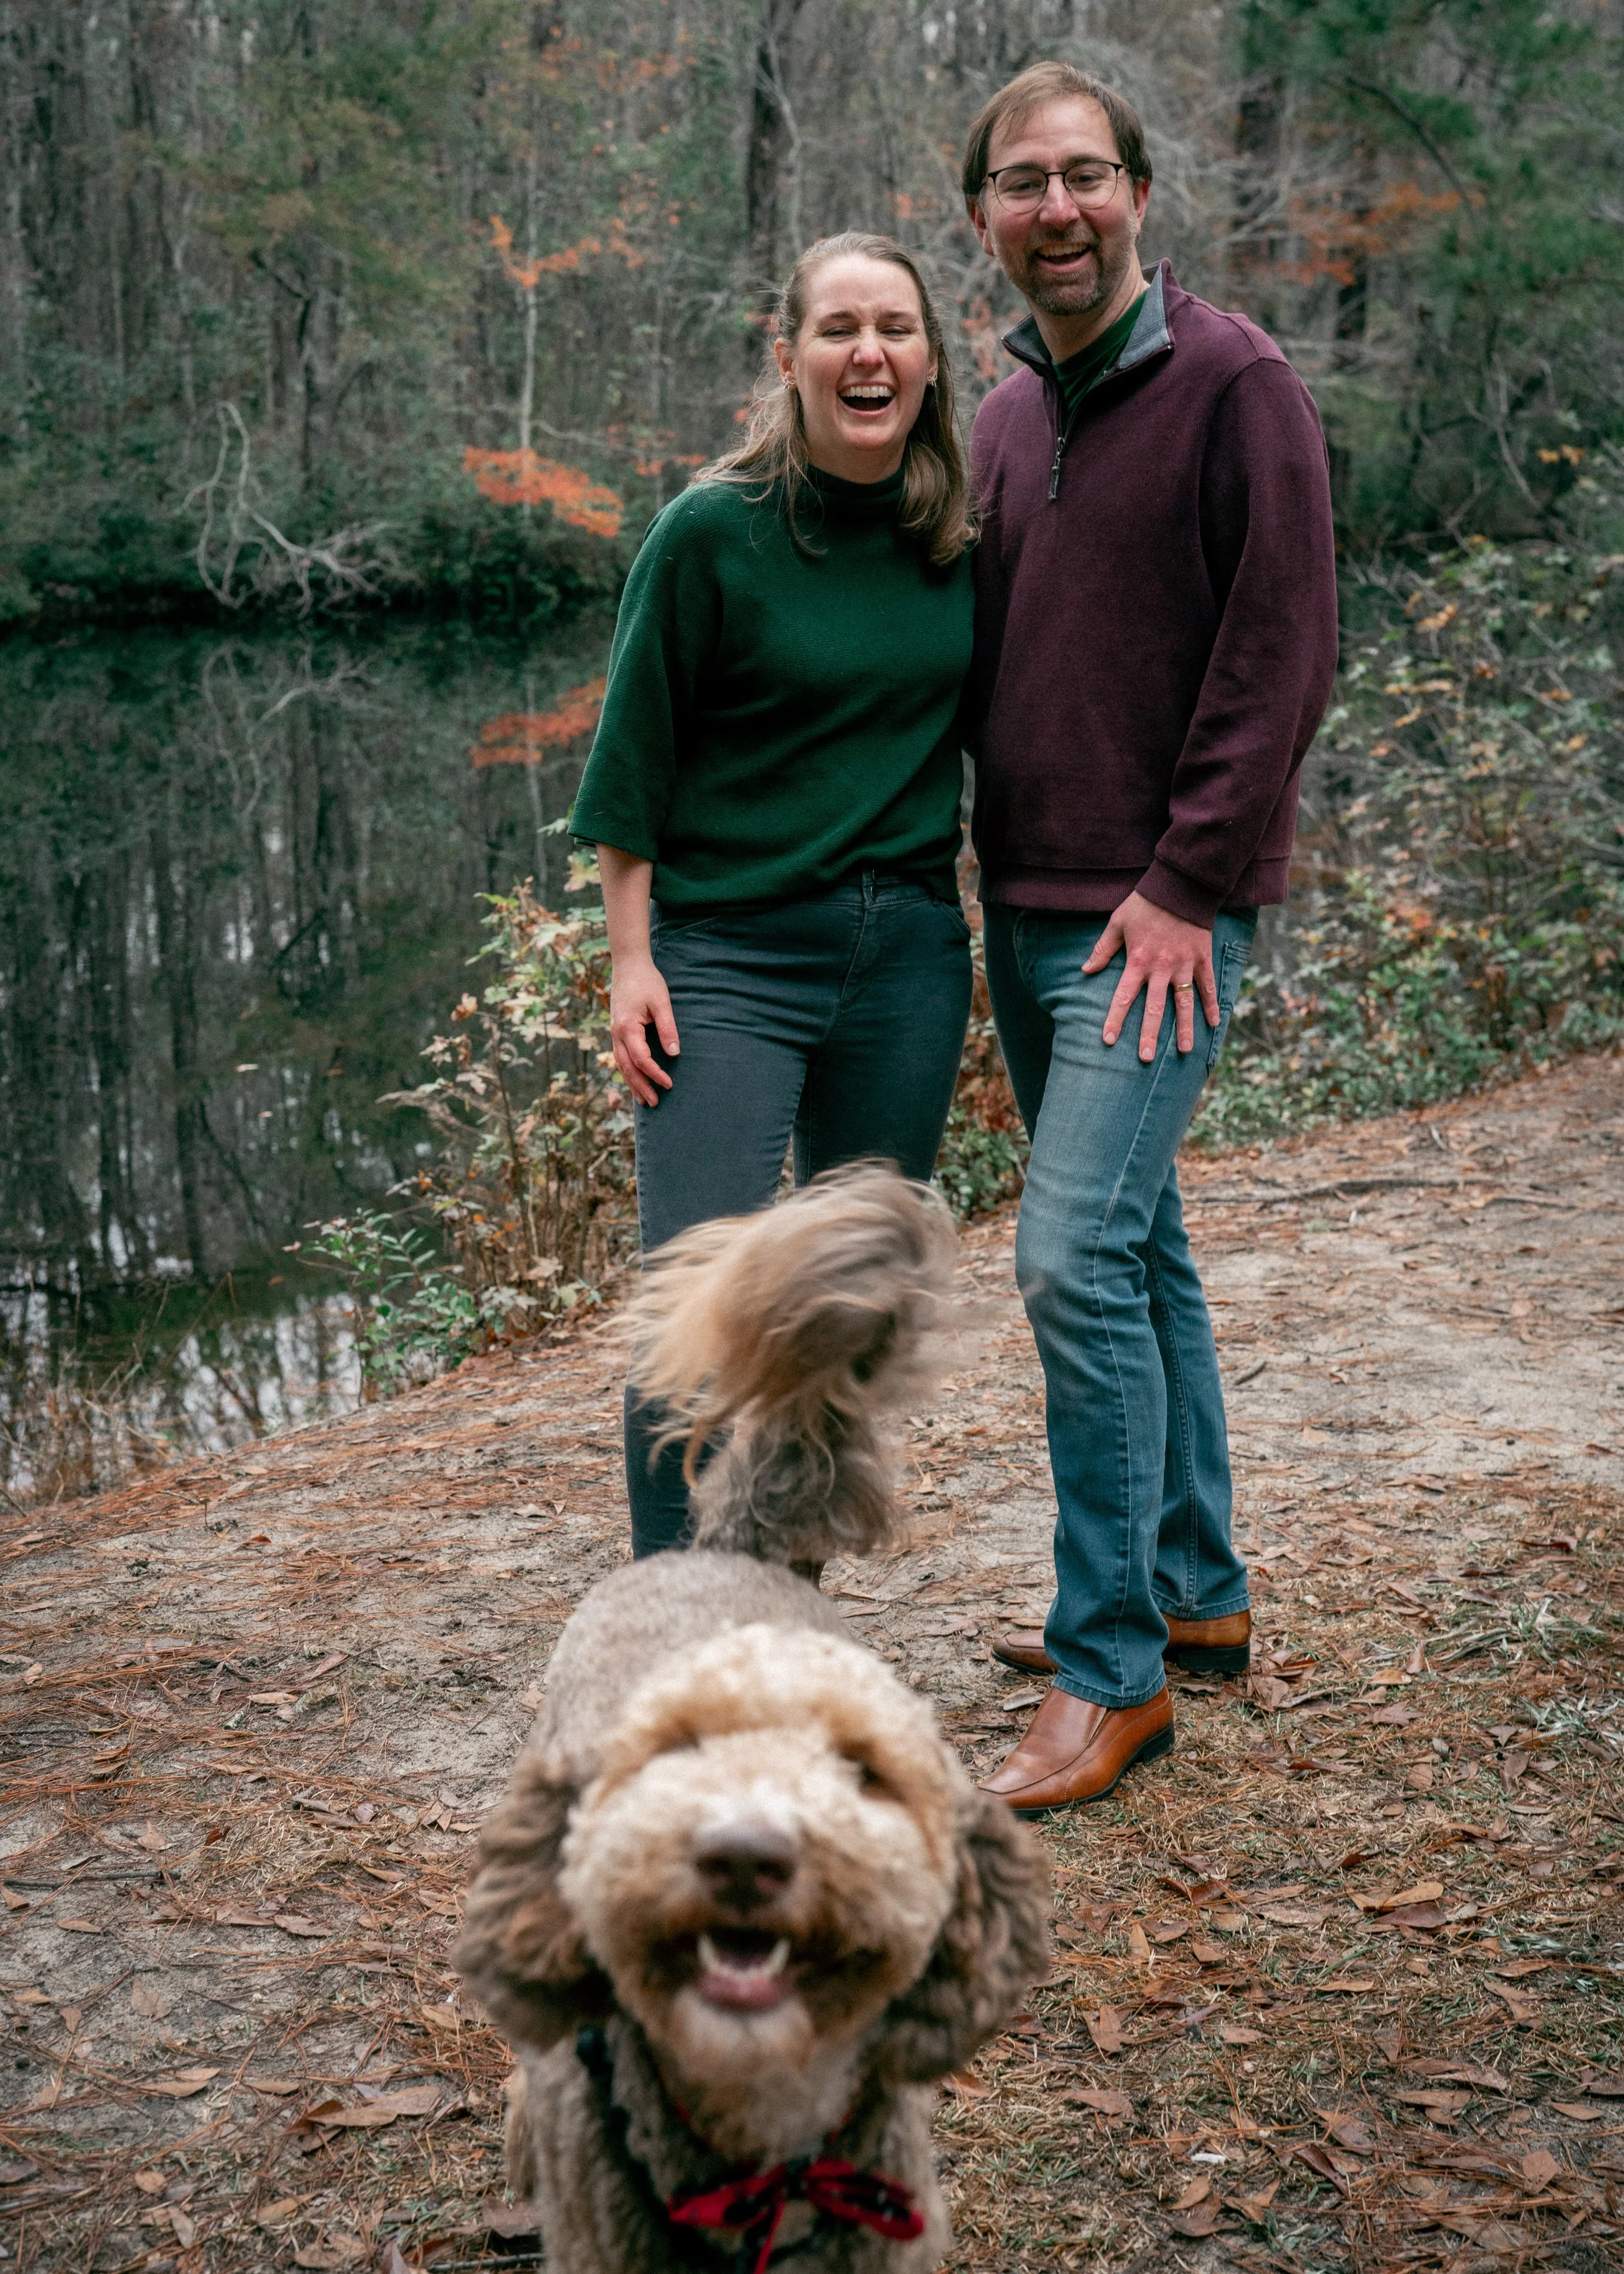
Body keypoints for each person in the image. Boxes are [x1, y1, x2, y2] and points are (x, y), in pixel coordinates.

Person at [959, 63, 1339, 1813]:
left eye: (1085, 175)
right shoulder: (1003, 420)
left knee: (1066, 1261)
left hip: (1153, 921)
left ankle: (1108, 1672)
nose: (1058, 207)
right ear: (984, 217)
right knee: (1138, 1244)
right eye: (1022, 183)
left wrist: (1187, 882)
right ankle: (1191, 1595)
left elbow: (1280, 649)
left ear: (1136, 194)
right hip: (1025, 902)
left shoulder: (1233, 381)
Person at [570, 232, 976, 1559]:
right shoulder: (710, 532)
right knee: (698, 1310)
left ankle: (783, 1607)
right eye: (840, 328)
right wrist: (632, 962)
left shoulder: (955, 536)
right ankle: (671, 1627)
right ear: (786, 352)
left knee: (845, 1311)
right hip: (726, 961)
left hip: (905, 961)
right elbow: (630, 765)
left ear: (927, 356)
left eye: (895, 329)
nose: (869, 354)